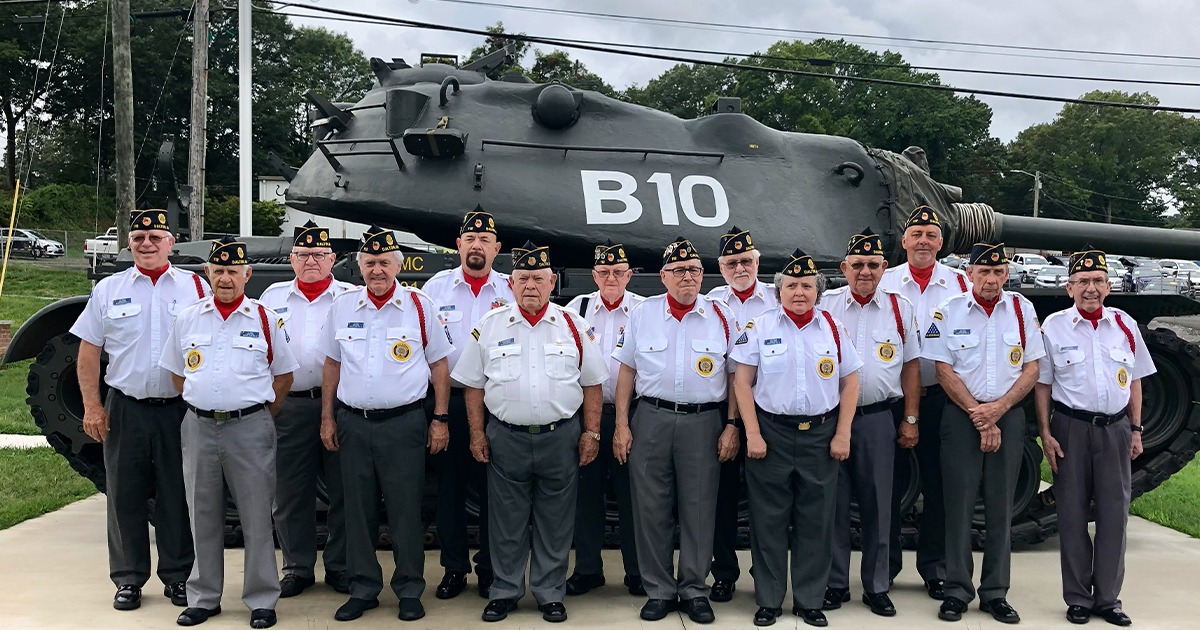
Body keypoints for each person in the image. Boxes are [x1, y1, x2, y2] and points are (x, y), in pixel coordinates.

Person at [452, 241, 607, 624]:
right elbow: (472, 384)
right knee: (506, 521)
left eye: (538, 278)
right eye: (523, 278)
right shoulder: (490, 326)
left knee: (556, 522)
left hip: (561, 437)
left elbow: (593, 385)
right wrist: (476, 433)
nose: (531, 286)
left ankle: (549, 593)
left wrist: (592, 433)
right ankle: (504, 591)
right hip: (507, 436)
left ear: (551, 281)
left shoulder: (573, 325)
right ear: (512, 283)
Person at [159, 235, 299, 629]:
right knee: (201, 513)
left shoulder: (266, 319)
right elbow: (175, 373)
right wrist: (202, 402)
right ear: (208, 273)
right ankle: (204, 596)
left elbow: (284, 376)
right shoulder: (188, 318)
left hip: (250, 426)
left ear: (247, 275)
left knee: (257, 516)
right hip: (199, 426)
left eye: (232, 272)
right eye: (218, 270)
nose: (225, 278)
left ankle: (261, 599)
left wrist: (256, 413)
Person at [71, 209, 207, 611]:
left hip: (179, 408)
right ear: (128, 244)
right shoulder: (109, 289)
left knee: (177, 493)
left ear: (171, 243)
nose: (147, 244)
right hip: (125, 407)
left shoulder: (195, 287)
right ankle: (128, 578)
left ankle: (178, 575)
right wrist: (92, 406)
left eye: (156, 237)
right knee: (124, 495)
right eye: (138, 239)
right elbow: (89, 351)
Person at [320, 226, 454, 623]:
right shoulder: (343, 306)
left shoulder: (419, 305)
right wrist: (327, 417)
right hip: (353, 423)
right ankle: (364, 588)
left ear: (398, 265)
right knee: (356, 510)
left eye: (384, 263)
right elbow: (332, 363)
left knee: (405, 510)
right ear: (359, 267)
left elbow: (439, 364)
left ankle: (409, 588)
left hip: (404, 424)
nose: (377, 270)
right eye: (369, 263)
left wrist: (440, 419)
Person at [612, 237, 740, 625]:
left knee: (700, 507)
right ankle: (659, 590)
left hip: (704, 421)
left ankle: (694, 590)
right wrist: (620, 424)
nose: (689, 277)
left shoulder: (721, 315)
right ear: (664, 276)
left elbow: (736, 375)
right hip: (650, 418)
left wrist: (731, 425)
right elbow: (627, 371)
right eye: (680, 270)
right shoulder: (642, 314)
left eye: (696, 270)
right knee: (650, 508)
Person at [730, 248, 860, 628]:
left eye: (806, 285)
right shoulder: (760, 328)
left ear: (817, 290)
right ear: (778, 291)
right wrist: (751, 432)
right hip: (771, 433)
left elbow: (850, 382)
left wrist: (842, 433)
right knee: (768, 519)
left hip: (820, 434)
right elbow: (742, 381)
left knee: (816, 520)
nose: (799, 292)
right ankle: (769, 599)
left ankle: (808, 599)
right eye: (791, 286)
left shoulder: (833, 329)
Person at [922, 242, 1044, 624]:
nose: (991, 280)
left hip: (1006, 414)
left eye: (998, 272)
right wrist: (980, 414)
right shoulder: (949, 310)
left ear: (1006, 274)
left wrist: (998, 411)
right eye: (984, 272)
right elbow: (943, 370)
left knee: (999, 507)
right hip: (961, 415)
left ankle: (995, 592)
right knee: (957, 505)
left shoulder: (1022, 310)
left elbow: (1032, 369)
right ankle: (957, 589)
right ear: (969, 274)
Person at [1035, 246, 1153, 627]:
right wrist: (1046, 433)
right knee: (1070, 515)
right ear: (1069, 288)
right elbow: (1042, 387)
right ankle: (1078, 598)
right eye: (1083, 281)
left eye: (1098, 281)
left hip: (1116, 428)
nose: (1091, 288)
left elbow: (1134, 381)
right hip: (1071, 428)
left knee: (1114, 515)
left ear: (1109, 286)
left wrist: (1135, 429)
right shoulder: (1053, 326)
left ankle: (1108, 598)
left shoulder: (1124, 325)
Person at [821, 228, 920, 617]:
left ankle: (877, 584)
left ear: (884, 268)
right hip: (830, 419)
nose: (865, 272)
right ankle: (834, 582)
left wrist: (910, 418)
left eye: (873, 265)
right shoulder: (826, 305)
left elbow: (911, 366)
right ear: (845, 268)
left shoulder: (900, 308)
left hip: (880, 417)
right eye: (858, 265)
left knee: (880, 504)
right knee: (833, 504)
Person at [421, 206, 514, 600]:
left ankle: (491, 570)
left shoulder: (513, 288)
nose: (477, 246)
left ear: (497, 249)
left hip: (497, 406)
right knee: (450, 491)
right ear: (459, 245)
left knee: (496, 492)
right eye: (470, 240)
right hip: (448, 404)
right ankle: (454, 568)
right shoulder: (434, 289)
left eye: (485, 241)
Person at [877, 205, 970, 599]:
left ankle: (935, 567)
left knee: (939, 485)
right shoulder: (886, 280)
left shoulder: (960, 282)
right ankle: (887, 567)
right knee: (888, 486)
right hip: (894, 398)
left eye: (931, 235)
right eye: (916, 234)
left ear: (941, 243)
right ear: (904, 240)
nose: (923, 242)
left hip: (943, 399)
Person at [259, 221, 355, 598]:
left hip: (341, 405)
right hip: (291, 405)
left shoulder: (350, 296)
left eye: (318, 254)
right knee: (289, 492)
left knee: (344, 491)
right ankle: (297, 567)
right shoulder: (272, 297)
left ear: (333, 259)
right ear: (292, 260)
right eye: (303, 255)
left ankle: (341, 565)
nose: (311, 261)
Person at [563, 239, 645, 597]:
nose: (611, 278)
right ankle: (587, 569)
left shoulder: (644, 310)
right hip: (587, 417)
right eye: (604, 272)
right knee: (586, 494)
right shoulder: (576, 309)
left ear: (629, 275)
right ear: (594, 274)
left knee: (635, 497)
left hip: (634, 416)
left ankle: (638, 572)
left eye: (618, 272)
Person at [705, 226, 777, 603]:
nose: (740, 267)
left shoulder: (778, 298)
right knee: (723, 496)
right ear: (721, 267)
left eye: (746, 260)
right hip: (726, 412)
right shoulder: (712, 302)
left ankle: (766, 574)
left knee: (768, 499)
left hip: (771, 410)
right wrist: (732, 423)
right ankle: (724, 572)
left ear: (757, 261)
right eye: (732, 262)